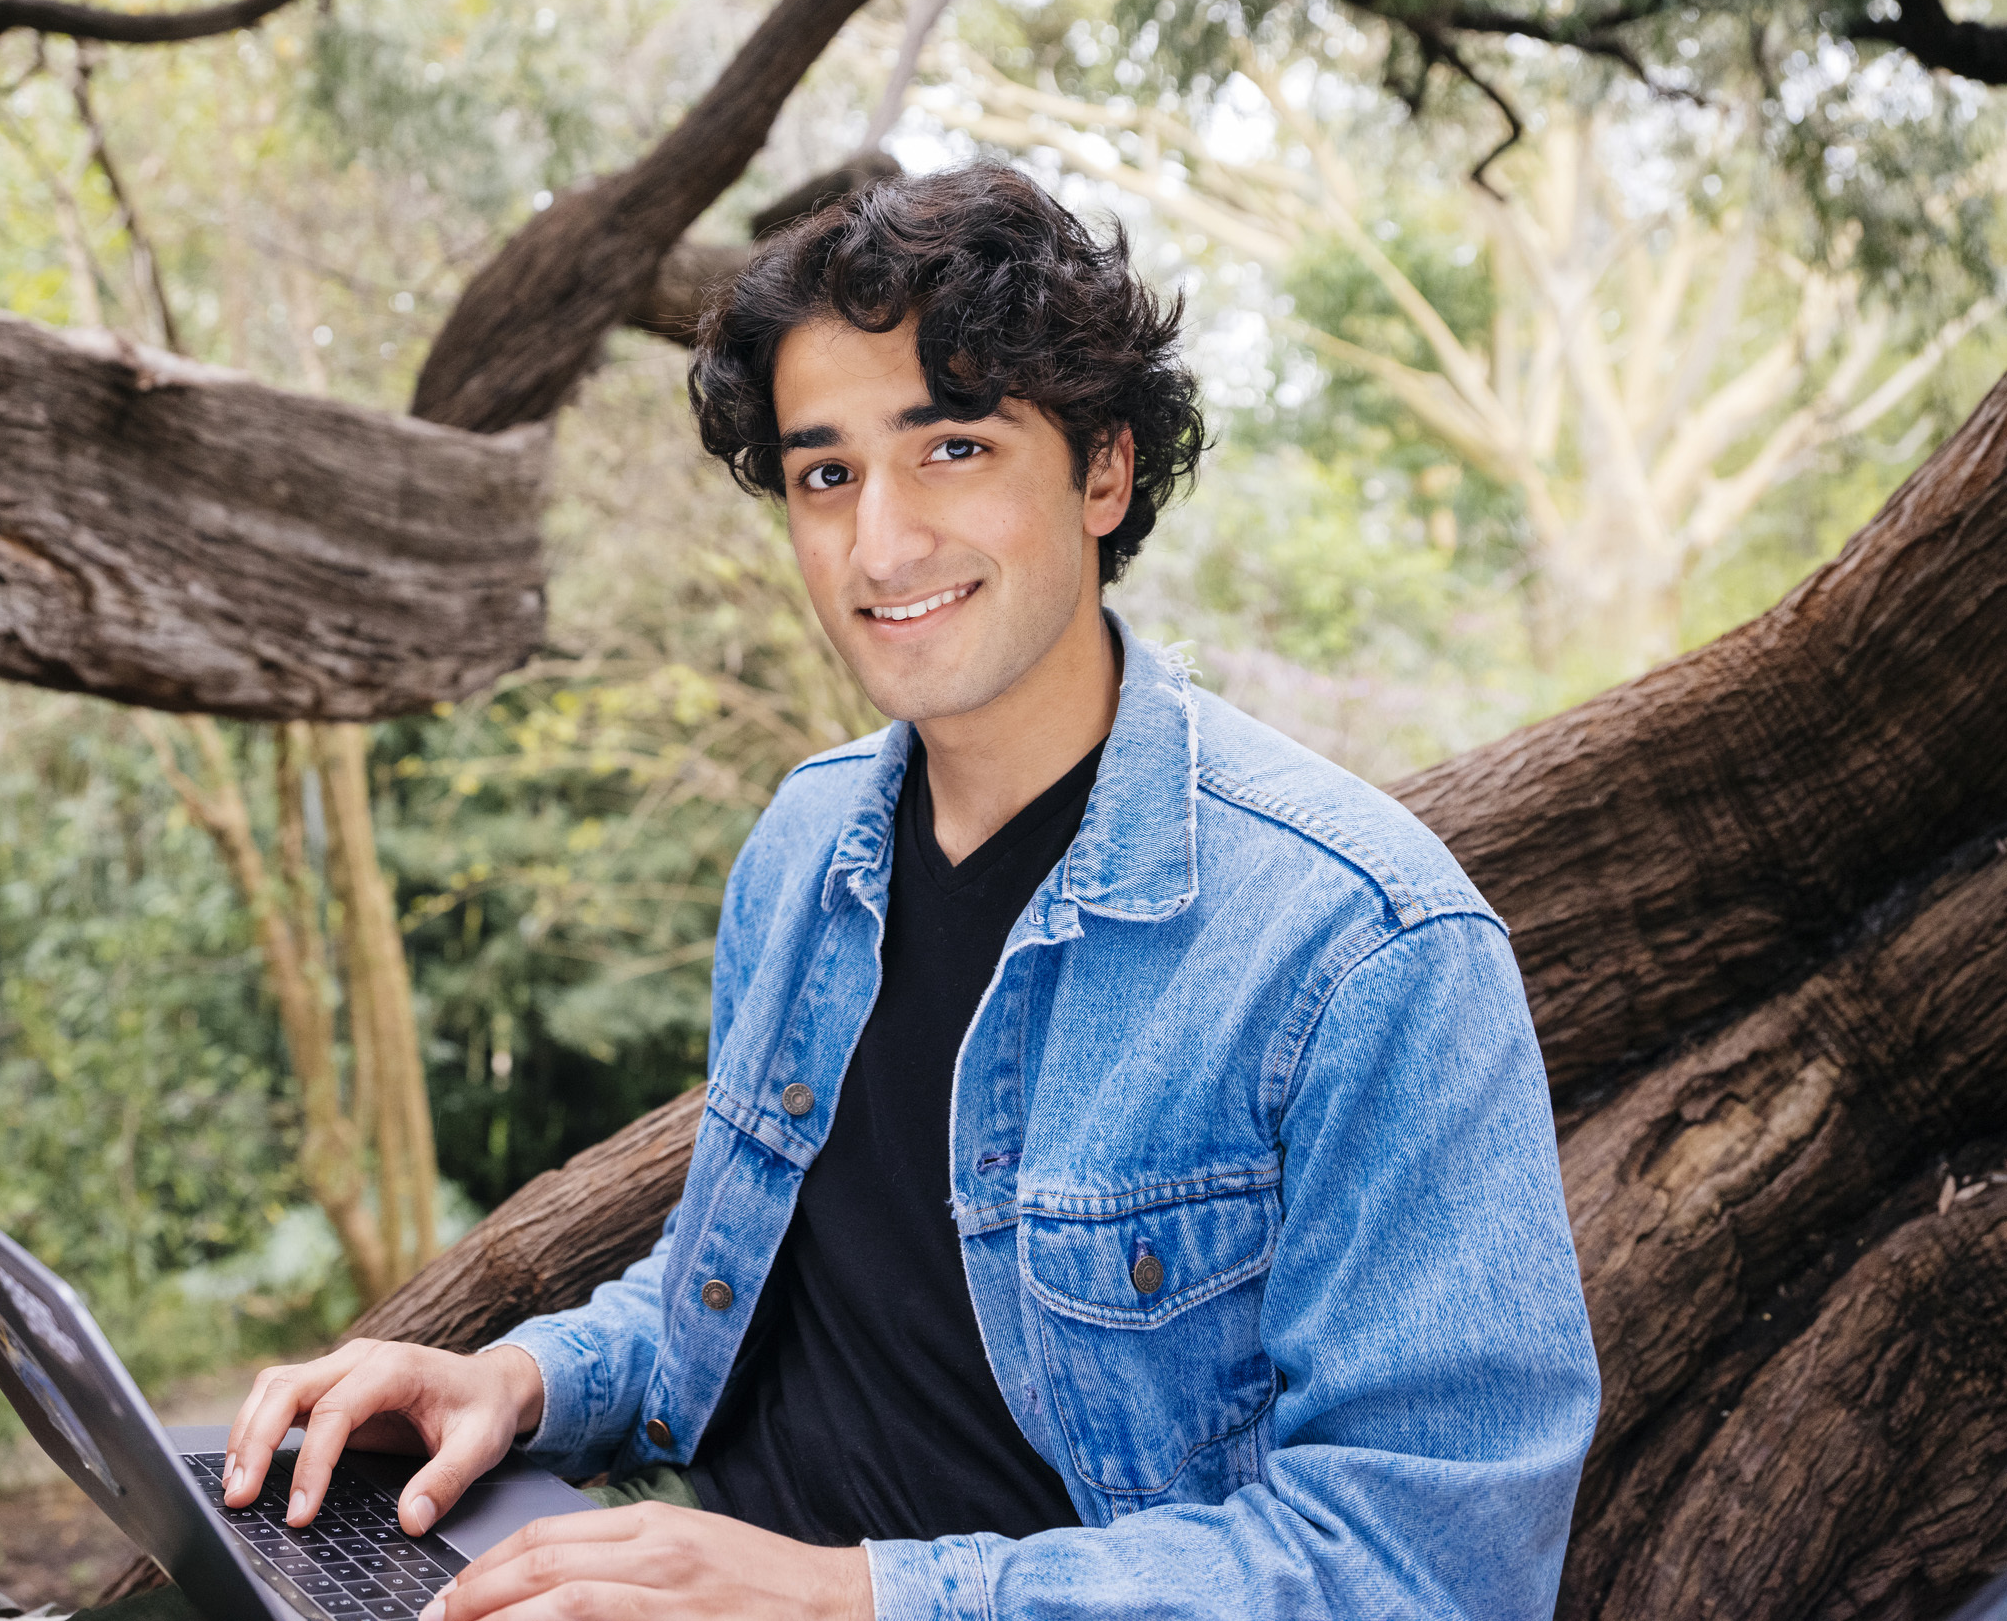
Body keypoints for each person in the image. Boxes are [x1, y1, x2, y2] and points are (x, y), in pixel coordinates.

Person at [214, 162, 1601, 1620]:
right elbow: (733, 1280)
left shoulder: (1364, 946)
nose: (878, 544)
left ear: (1105, 470)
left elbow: (1426, 1567)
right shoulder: (804, 851)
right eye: (827, 474)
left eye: (951, 448)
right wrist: (517, 1380)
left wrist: (852, 1598)